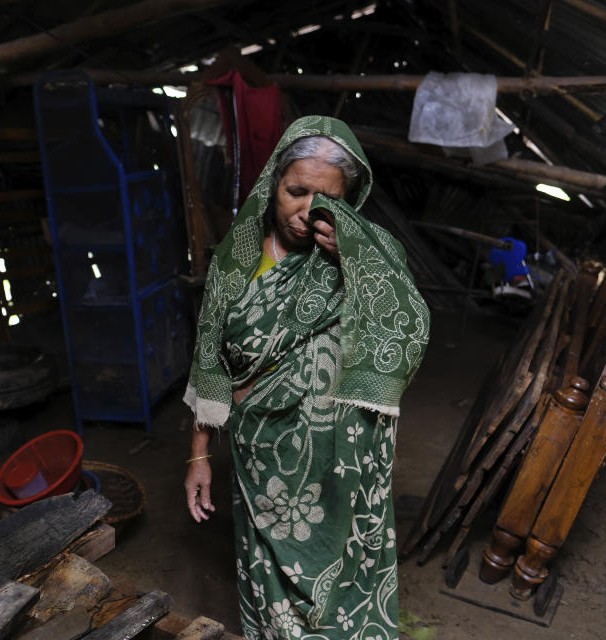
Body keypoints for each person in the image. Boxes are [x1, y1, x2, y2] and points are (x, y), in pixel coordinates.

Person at [183, 115, 429, 640]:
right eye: (295, 191)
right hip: (260, 458)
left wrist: (358, 264)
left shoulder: (365, 256)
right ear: (273, 183)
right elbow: (210, 363)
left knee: (336, 583)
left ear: (348, 201)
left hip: (339, 464)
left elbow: (407, 327)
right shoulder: (236, 261)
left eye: (327, 199)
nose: (307, 210)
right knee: (271, 583)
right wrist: (200, 455)